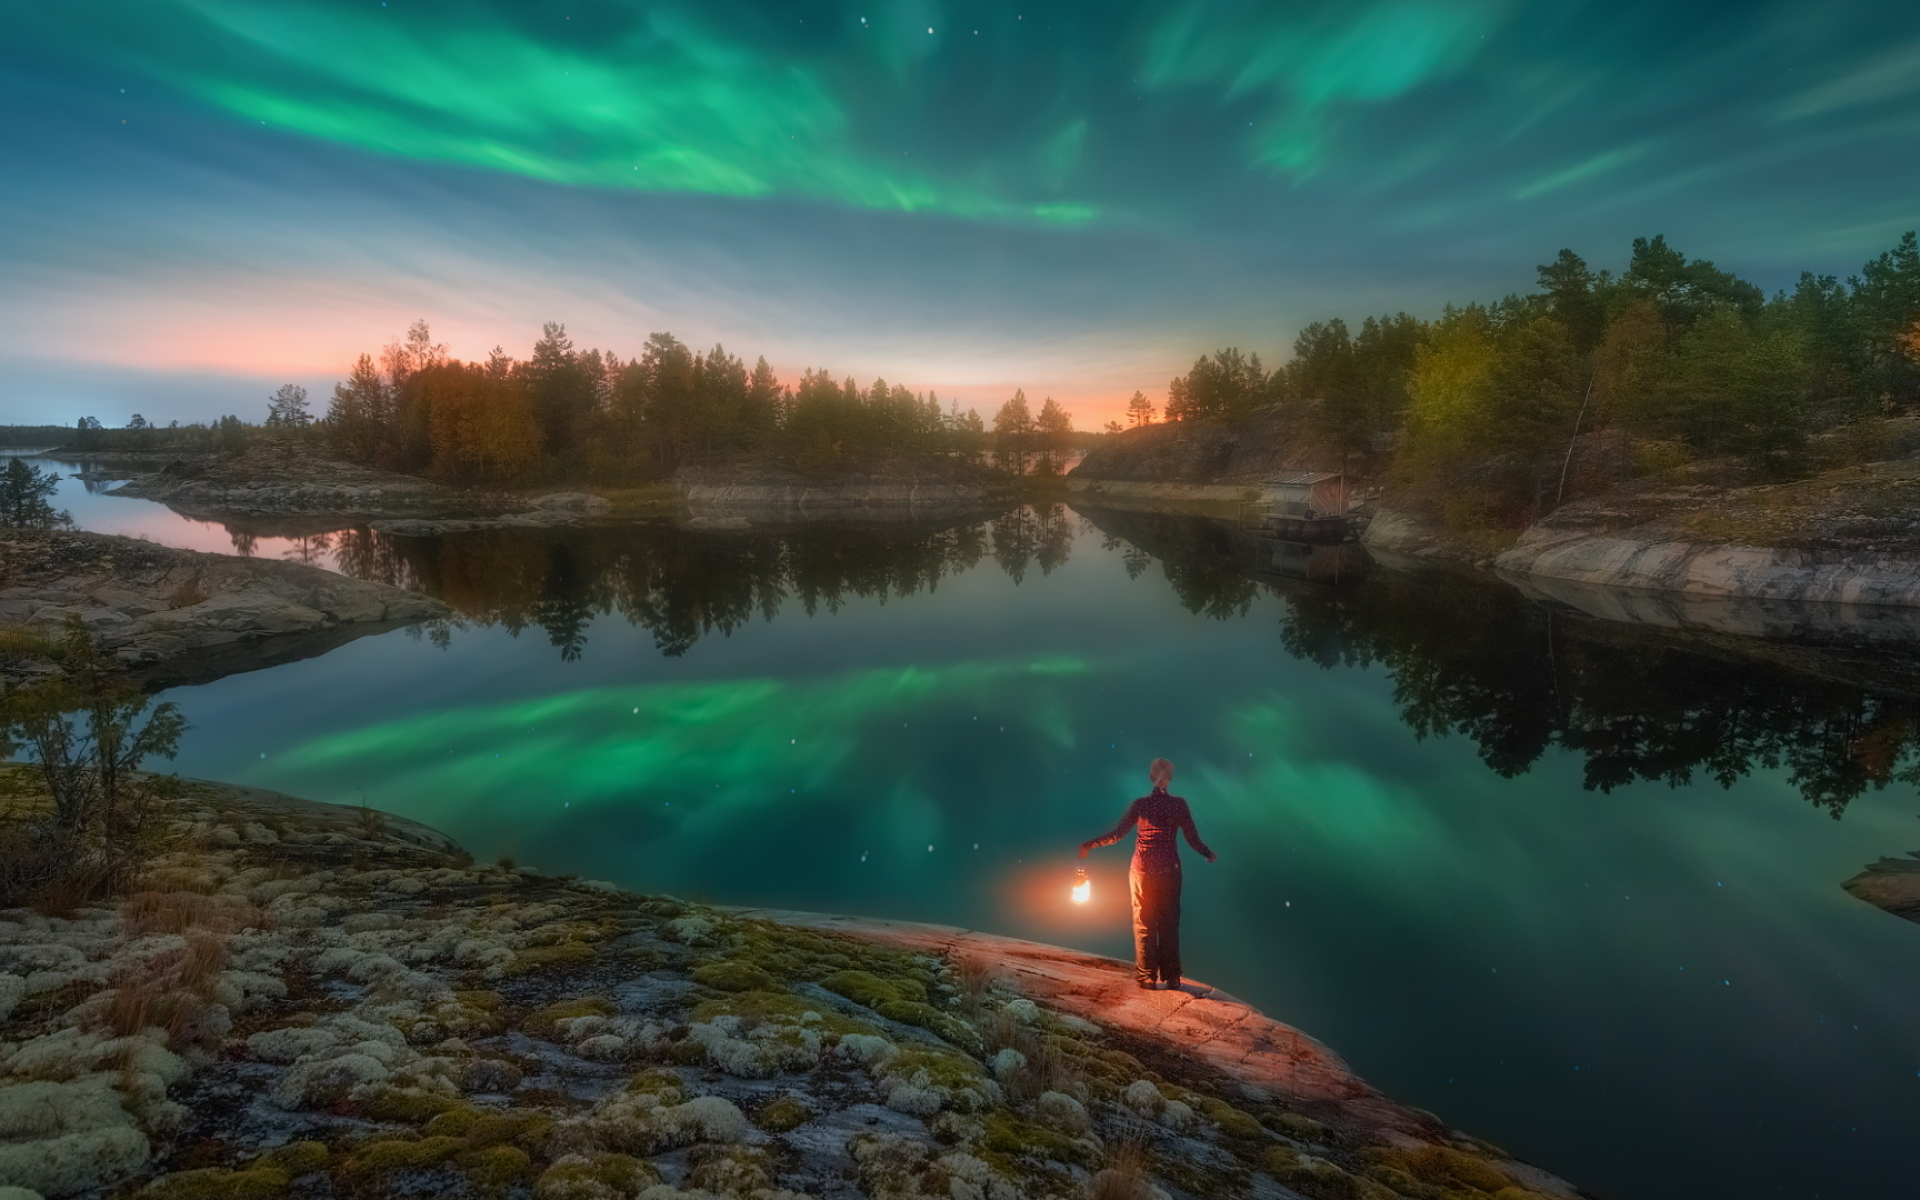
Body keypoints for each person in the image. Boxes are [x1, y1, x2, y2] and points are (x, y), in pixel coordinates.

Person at [1079, 757, 1215, 990]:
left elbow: (1118, 834)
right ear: (1170, 779)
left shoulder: (1140, 805)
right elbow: (1192, 838)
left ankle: (1147, 977)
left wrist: (1090, 844)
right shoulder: (1179, 805)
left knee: (1144, 923)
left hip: (1142, 871)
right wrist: (1207, 853)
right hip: (1169, 871)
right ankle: (1172, 977)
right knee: (1169, 924)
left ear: (1151, 777)